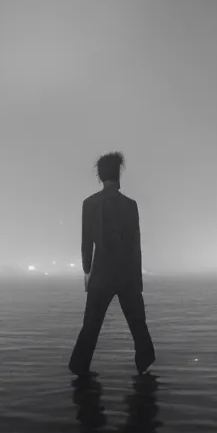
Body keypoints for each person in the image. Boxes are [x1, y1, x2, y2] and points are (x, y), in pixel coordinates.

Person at [68, 152, 156, 377]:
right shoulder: (130, 205)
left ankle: (80, 369)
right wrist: (138, 281)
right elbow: (134, 246)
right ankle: (144, 371)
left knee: (90, 327)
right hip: (127, 274)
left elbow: (86, 244)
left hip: (101, 274)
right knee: (138, 326)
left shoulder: (89, 204)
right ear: (118, 175)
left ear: (99, 176)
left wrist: (87, 271)